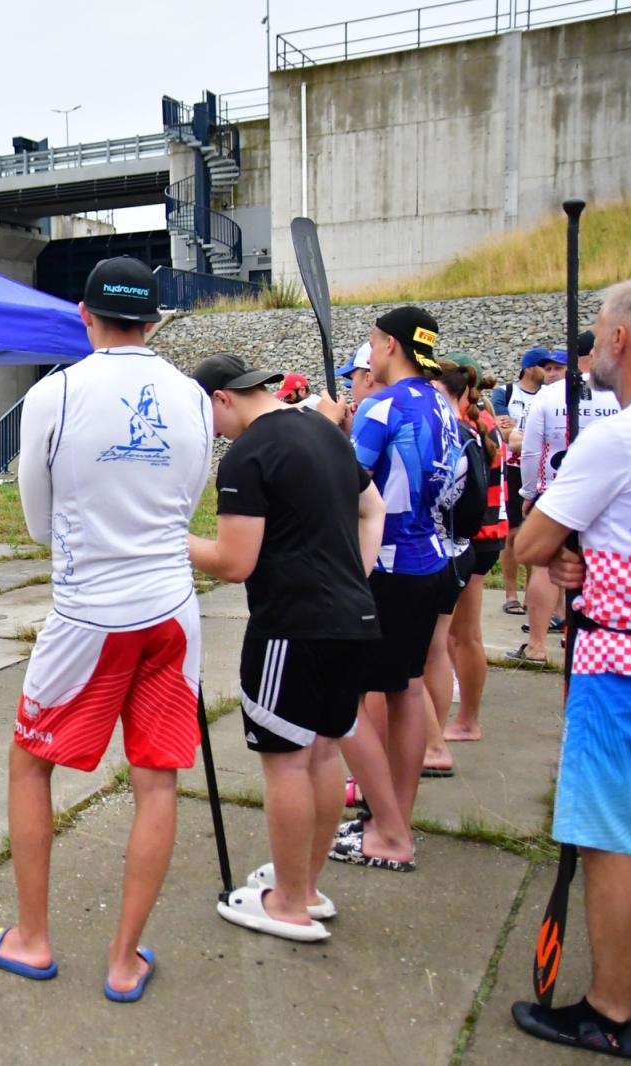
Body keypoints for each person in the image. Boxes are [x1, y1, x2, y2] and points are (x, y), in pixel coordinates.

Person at [0, 256, 212, 1003]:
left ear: (85, 315)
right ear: (156, 321)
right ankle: (124, 957)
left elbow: (38, 524)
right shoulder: (195, 397)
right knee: (157, 778)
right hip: (172, 608)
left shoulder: (54, 395)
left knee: (29, 763)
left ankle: (33, 938)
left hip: (89, 612)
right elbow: (190, 501)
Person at [510, 277, 631, 1052]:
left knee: (606, 840)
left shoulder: (618, 436)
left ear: (622, 339)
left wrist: (566, 558)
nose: (592, 342)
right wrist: (587, 559)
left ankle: (612, 1009)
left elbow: (529, 544)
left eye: (598, 328)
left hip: (619, 663)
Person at [188, 354, 384, 943]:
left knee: (287, 762)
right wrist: (355, 576)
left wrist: (170, 538)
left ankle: (289, 903)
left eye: (208, 415)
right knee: (324, 754)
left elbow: (232, 562)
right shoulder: (324, 433)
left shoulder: (248, 455)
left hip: (291, 627)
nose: (212, 430)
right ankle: (307, 885)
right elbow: (373, 508)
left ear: (223, 398)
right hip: (353, 619)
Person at [329, 306, 461, 874]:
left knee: (343, 699)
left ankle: (389, 830)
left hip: (385, 566)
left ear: (387, 345)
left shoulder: (382, 406)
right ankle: (394, 822)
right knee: (406, 692)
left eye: (373, 342)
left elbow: (345, 485)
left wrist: (334, 432)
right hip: (432, 558)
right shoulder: (443, 402)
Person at [511, 334, 619, 664]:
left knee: (545, 566)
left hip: (556, 488)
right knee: (601, 564)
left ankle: (537, 645)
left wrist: (529, 492)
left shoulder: (551, 394)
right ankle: (587, 637)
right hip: (607, 492)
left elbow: (531, 449)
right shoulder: (618, 391)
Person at [443, 355, 507, 743]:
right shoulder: (485, 419)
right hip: (488, 534)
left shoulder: (465, 425)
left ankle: (468, 720)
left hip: (475, 536)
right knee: (461, 635)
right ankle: (466, 715)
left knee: (462, 636)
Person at [496, 348, 558, 615]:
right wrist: (527, 435)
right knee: (512, 535)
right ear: (529, 368)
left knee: (540, 537)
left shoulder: (551, 396)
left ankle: (534, 595)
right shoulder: (506, 392)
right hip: (511, 470)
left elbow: (521, 435)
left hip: (543, 472)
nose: (549, 372)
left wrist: (522, 434)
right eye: (545, 366)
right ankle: (510, 594)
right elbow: (506, 432)